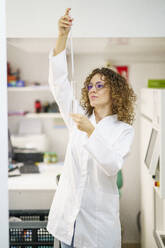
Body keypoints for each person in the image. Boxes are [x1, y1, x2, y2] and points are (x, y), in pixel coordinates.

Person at [47, 8, 137, 248]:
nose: (93, 89)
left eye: (100, 85)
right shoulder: (78, 116)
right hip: (68, 221)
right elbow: (59, 85)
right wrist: (62, 36)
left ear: (114, 92)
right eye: (90, 86)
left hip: (97, 226)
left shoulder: (123, 129)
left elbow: (112, 166)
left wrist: (90, 130)